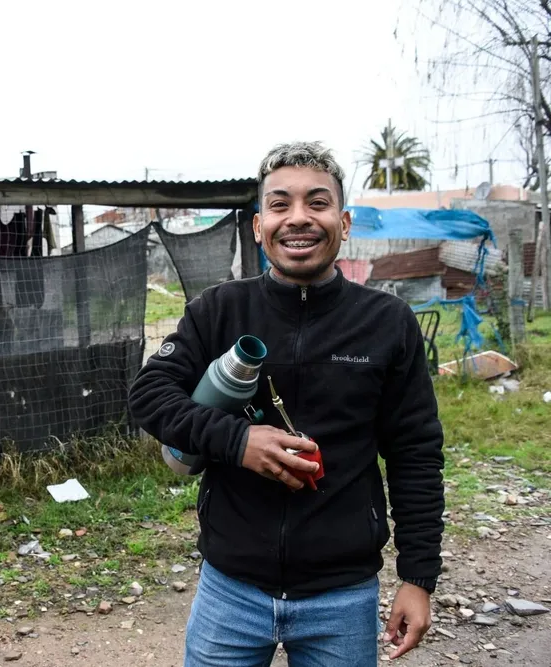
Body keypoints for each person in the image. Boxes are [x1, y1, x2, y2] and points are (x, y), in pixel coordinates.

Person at [127, 141, 445, 667]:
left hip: (342, 596)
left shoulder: (388, 323)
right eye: (280, 204)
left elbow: (415, 454)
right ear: (258, 226)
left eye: (317, 203)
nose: (298, 218)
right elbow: (149, 394)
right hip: (230, 589)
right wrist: (237, 441)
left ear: (344, 223)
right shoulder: (218, 310)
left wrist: (417, 577)